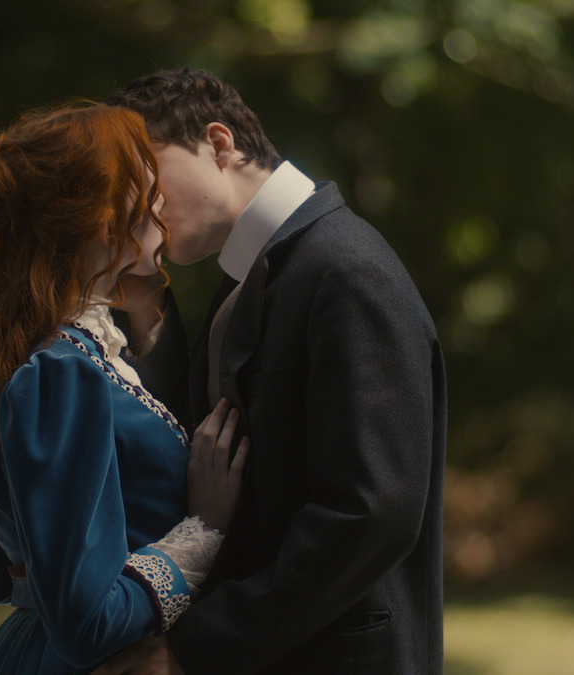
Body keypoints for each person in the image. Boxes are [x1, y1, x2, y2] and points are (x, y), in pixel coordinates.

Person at [97, 69, 447, 674]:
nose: (138, 205)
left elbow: (372, 515)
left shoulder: (346, 272)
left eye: (146, 175)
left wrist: (197, 648)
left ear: (219, 143)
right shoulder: (253, 275)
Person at [0, 103, 248, 675]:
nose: (162, 202)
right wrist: (204, 529)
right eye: (147, 188)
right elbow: (88, 625)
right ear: (100, 220)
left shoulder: (14, 358)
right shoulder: (62, 372)